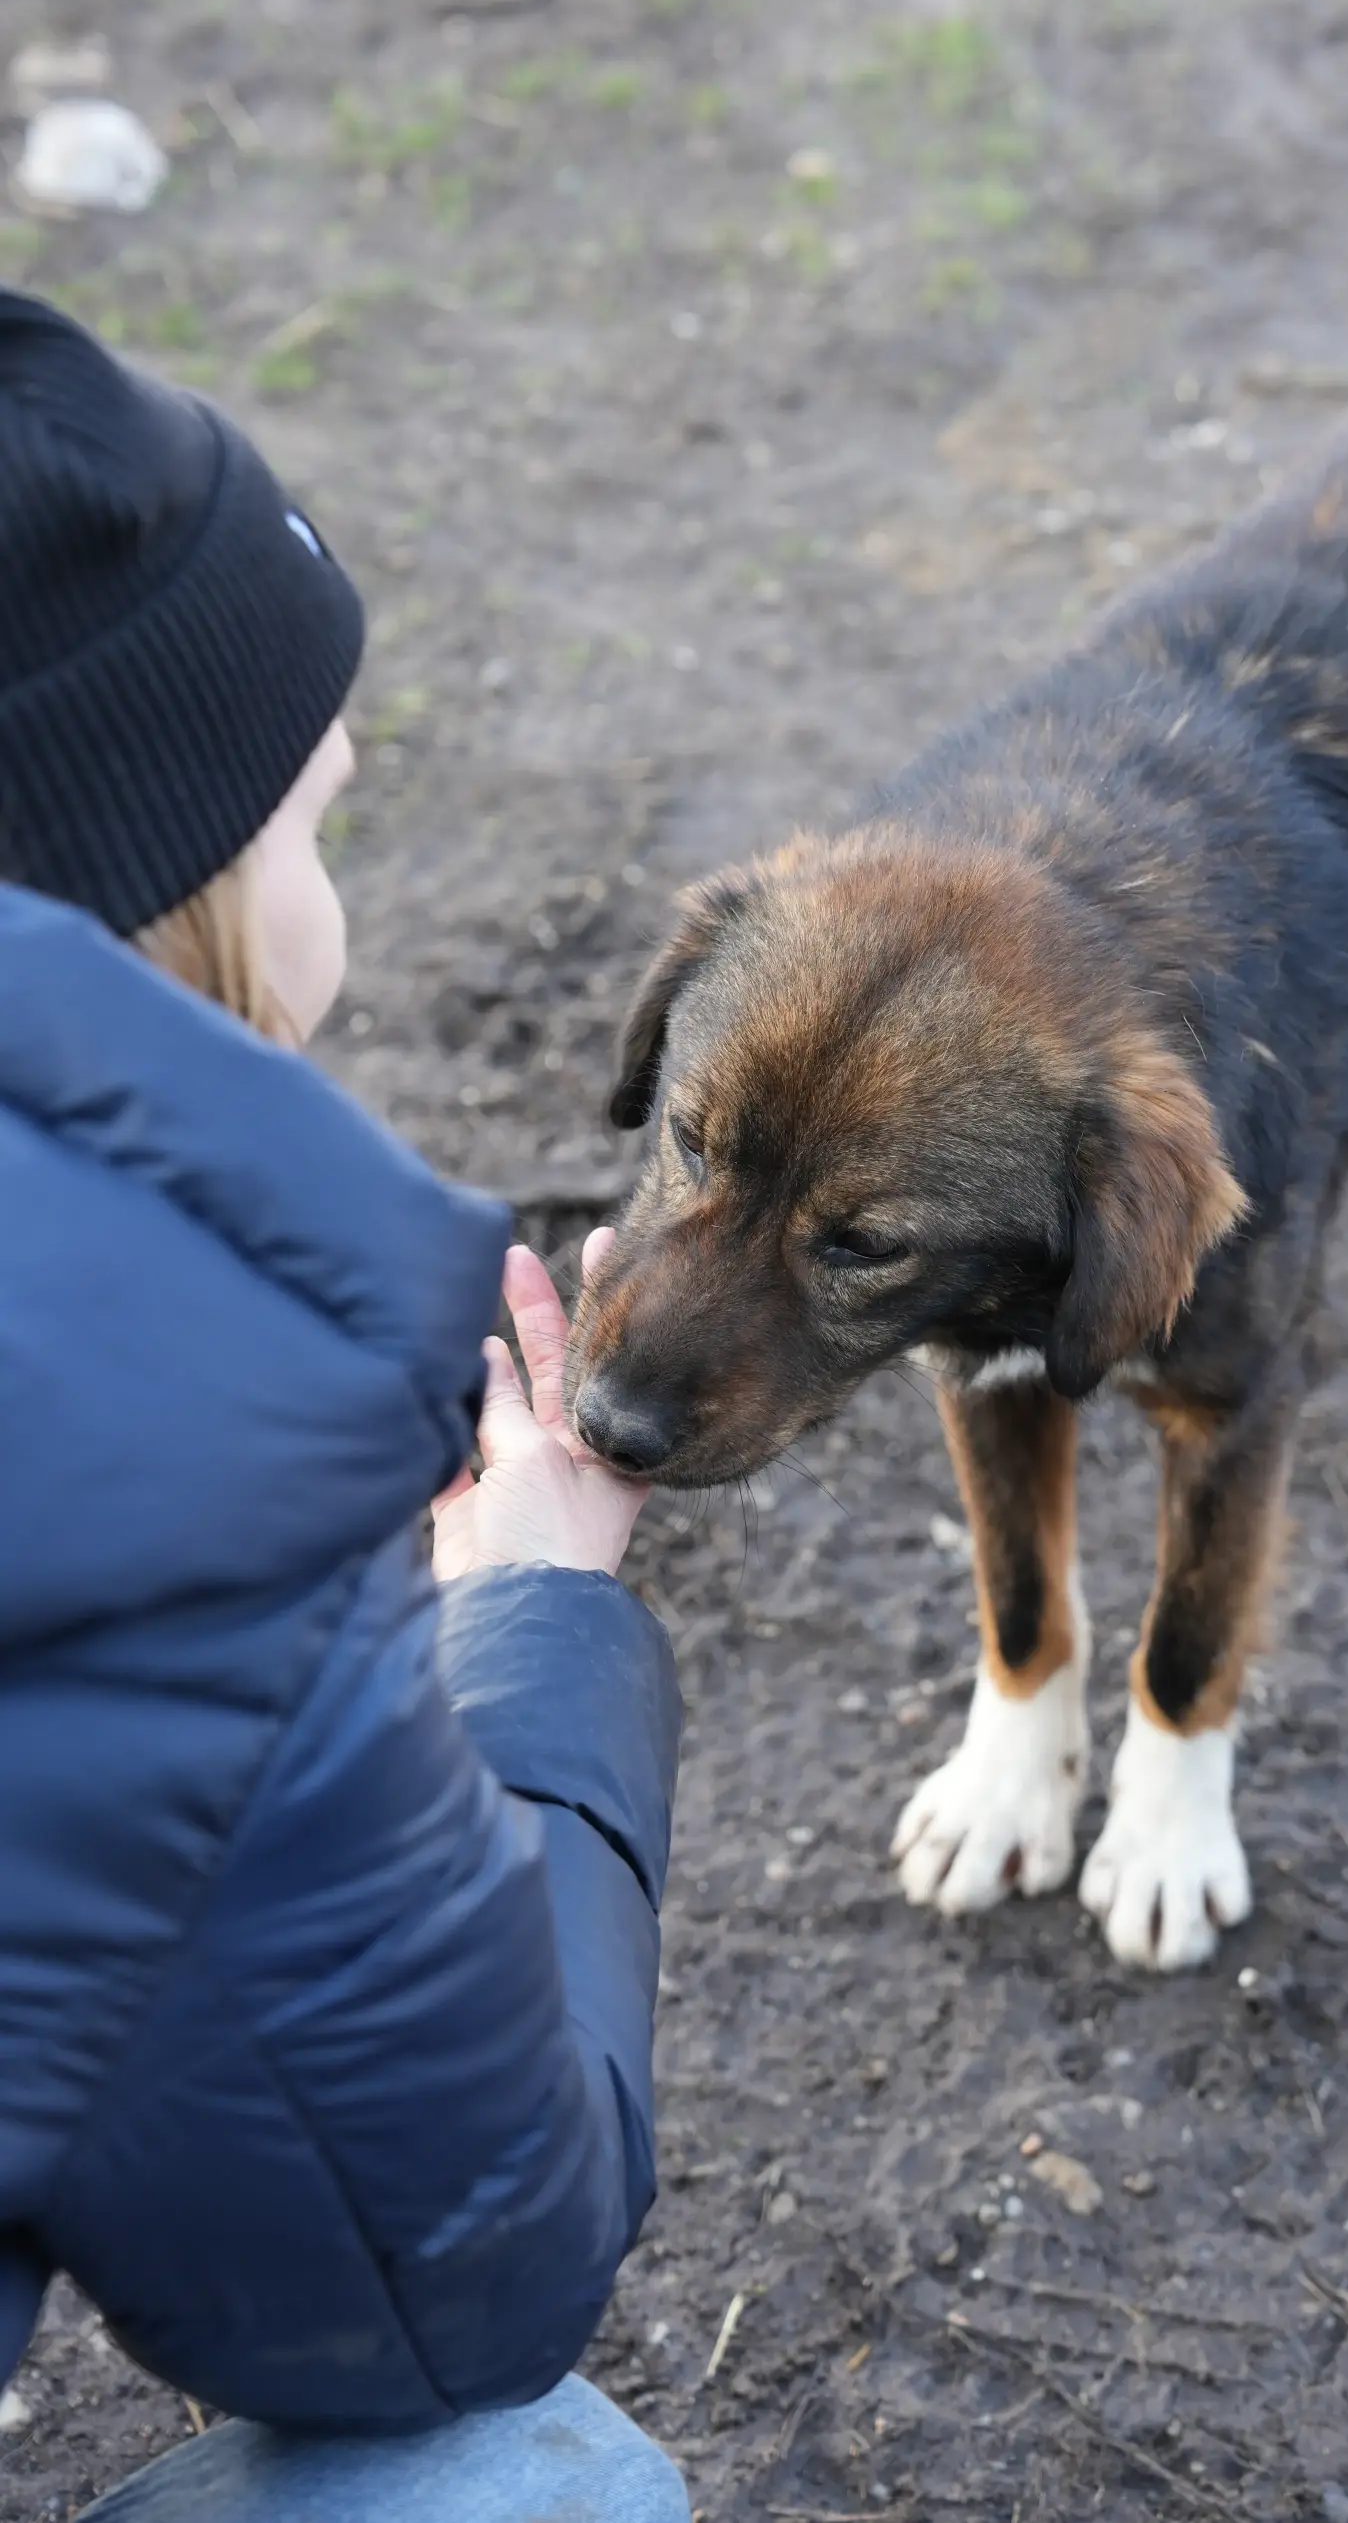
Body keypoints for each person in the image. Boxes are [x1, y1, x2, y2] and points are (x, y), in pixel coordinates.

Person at [0, 286, 689, 2521]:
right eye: (310, 831)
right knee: (528, 2475)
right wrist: (527, 1627)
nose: (332, 913)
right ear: (145, 890)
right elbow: (452, 2284)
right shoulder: (133, 1497)